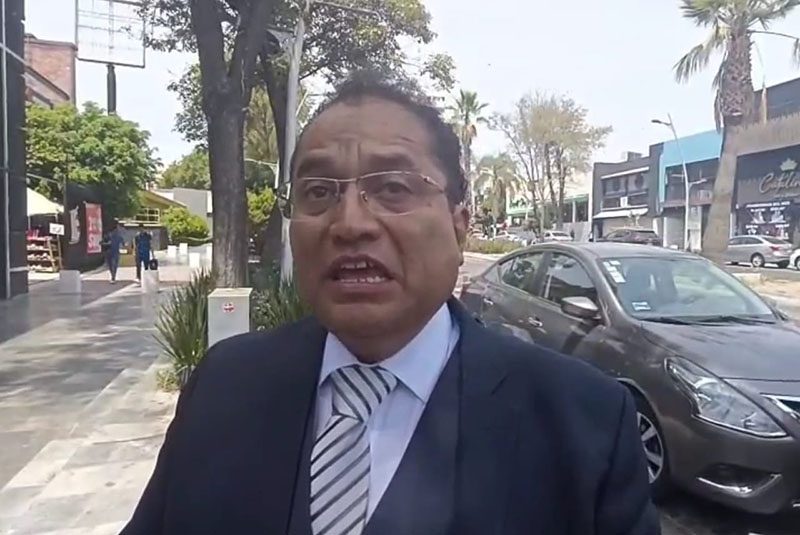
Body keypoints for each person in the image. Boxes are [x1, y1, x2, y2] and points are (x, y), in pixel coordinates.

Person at [121, 73, 659, 535]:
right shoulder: (224, 386)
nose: (350, 223)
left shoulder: (583, 422)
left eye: (394, 188)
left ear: (459, 224)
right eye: (319, 192)